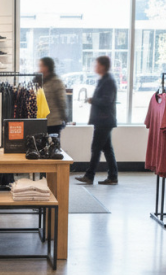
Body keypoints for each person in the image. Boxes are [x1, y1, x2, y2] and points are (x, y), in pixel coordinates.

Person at [76, 55, 118, 186]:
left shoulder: (108, 81)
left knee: (96, 148)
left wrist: (92, 100)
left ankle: (89, 176)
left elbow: (107, 100)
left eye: (97, 65)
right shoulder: (104, 80)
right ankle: (113, 176)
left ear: (103, 66)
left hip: (104, 121)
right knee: (107, 149)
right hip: (103, 120)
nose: (95, 67)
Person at [38, 57, 67, 135]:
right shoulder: (39, 80)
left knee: (52, 142)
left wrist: (64, 118)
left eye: (41, 66)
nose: (39, 69)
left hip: (54, 122)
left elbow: (62, 101)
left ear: (46, 67)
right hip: (41, 121)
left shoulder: (56, 82)